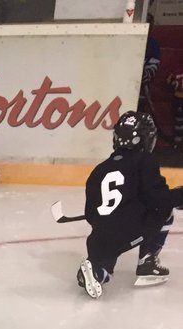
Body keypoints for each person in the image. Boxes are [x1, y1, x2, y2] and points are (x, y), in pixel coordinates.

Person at [77, 111, 183, 299]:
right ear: (145, 139)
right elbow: (159, 200)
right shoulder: (144, 160)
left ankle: (95, 271)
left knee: (103, 266)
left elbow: (90, 214)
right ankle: (147, 264)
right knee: (165, 211)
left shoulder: (100, 169)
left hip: (99, 237)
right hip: (128, 229)